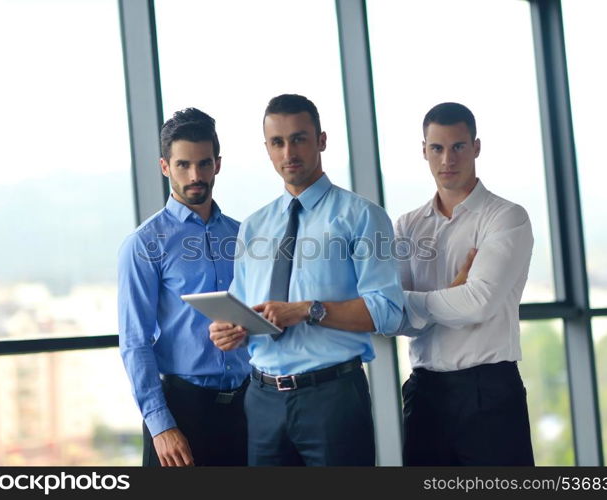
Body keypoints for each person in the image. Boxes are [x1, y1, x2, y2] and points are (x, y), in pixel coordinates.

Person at [209, 94, 404, 466]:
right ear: (266, 149)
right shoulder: (254, 226)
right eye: (277, 143)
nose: (288, 152)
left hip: (332, 399)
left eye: (299, 138)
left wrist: (305, 310)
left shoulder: (361, 216)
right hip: (263, 400)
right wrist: (227, 330)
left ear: (322, 140)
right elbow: (242, 308)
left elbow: (389, 311)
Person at [394, 102, 535, 466]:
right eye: (437, 148)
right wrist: (452, 293)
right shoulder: (407, 226)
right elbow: (391, 317)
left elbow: (478, 303)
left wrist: (414, 302)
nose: (447, 159)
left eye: (458, 146)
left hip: (488, 392)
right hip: (424, 392)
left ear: (476, 147)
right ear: (423, 151)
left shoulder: (506, 217)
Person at [117, 108, 251, 466]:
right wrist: (161, 426)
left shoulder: (244, 237)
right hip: (182, 411)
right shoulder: (145, 243)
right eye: (183, 165)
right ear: (165, 167)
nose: (196, 176)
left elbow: (261, 314)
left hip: (247, 410)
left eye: (204, 164)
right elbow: (135, 342)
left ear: (217, 164)